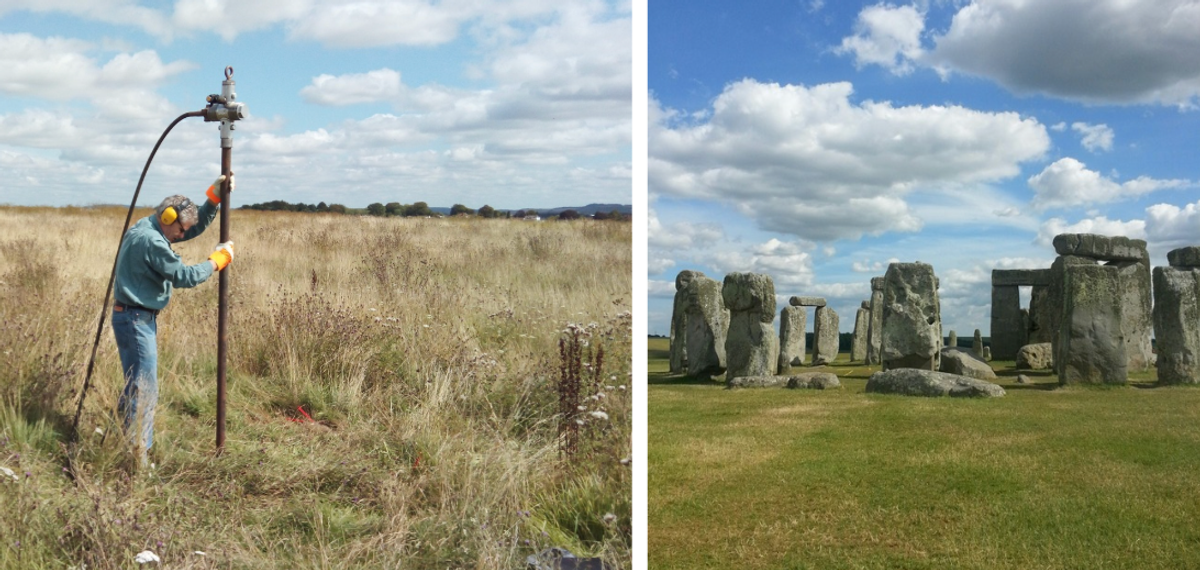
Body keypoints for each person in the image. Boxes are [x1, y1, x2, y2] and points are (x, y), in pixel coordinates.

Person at [112, 174, 236, 467]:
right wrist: (217, 261)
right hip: (136, 320)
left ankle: (121, 442)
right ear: (168, 218)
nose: (182, 236)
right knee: (145, 389)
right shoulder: (152, 241)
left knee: (135, 385)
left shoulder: (151, 226)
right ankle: (137, 460)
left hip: (134, 318)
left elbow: (190, 231)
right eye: (180, 230)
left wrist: (213, 199)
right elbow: (184, 276)